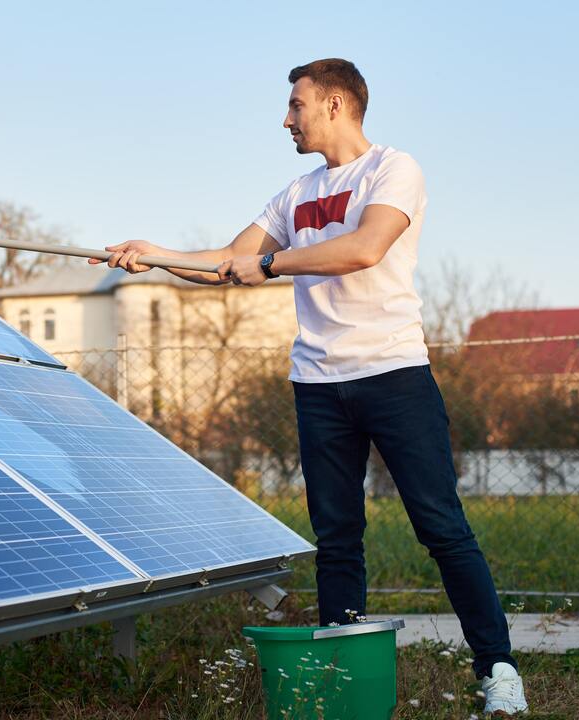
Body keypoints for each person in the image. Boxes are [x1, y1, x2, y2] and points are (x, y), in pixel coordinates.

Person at [91, 58, 528, 715]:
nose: (286, 119)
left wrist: (266, 264)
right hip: (318, 384)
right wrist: (157, 255)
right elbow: (224, 264)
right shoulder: (293, 194)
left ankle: (497, 670)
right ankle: (343, 676)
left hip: (393, 374)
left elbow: (363, 248)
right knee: (337, 539)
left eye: (296, 105)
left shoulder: (393, 170)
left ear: (334, 105)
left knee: (441, 527)